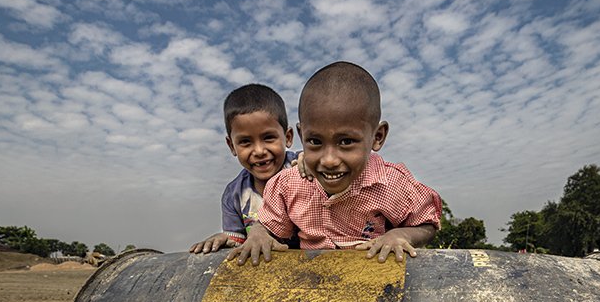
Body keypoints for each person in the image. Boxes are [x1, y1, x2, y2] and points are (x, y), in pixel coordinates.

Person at [229, 61, 441, 266]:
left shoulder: (392, 184)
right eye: (315, 142)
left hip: (374, 279)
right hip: (311, 280)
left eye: (346, 142)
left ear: (377, 136)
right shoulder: (289, 185)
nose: (329, 160)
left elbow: (426, 224)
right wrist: (258, 235)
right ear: (302, 136)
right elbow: (268, 226)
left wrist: (400, 235)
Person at [189, 84, 297, 253]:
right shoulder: (234, 195)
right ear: (232, 146)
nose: (259, 151)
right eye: (245, 142)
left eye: (268, 138)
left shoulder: (302, 168)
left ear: (288, 137)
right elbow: (239, 240)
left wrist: (311, 165)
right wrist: (226, 238)